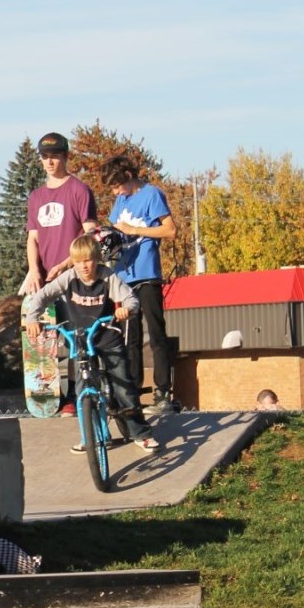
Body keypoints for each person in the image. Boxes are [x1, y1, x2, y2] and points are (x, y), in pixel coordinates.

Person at [22, 234, 160, 452]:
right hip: (81, 340)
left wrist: (126, 309)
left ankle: (140, 433)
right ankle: (92, 435)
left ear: (96, 259)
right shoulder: (69, 278)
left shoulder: (107, 277)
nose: (83, 266)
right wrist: (32, 318)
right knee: (83, 387)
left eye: (88, 260)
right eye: (78, 261)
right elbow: (42, 296)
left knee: (123, 387)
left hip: (107, 338)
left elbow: (131, 298)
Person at [107, 155, 179, 416]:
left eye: (117, 186)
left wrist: (137, 231)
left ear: (127, 175)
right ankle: (133, 393)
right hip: (125, 276)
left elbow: (170, 230)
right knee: (130, 338)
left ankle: (163, 392)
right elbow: (116, 227)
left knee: (157, 334)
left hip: (147, 274)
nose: (115, 192)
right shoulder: (120, 200)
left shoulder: (152, 194)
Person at [22, 132, 98, 295]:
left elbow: (91, 234)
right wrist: (34, 271)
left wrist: (66, 264)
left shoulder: (80, 190)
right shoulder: (36, 196)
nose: (49, 161)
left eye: (54, 156)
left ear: (66, 156)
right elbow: (32, 239)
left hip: (75, 276)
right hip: (45, 280)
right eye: (44, 156)